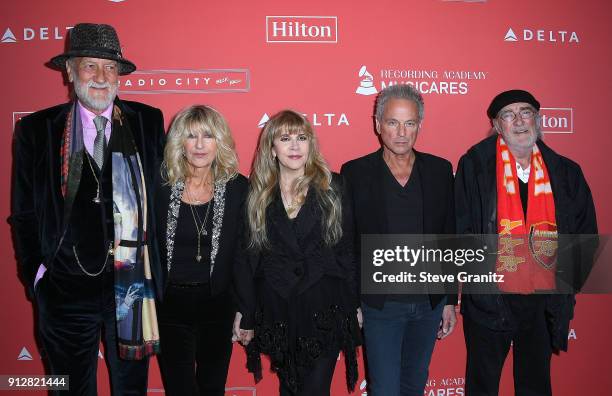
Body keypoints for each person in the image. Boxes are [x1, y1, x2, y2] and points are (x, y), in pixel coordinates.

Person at [9, 23, 165, 395]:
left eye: (109, 67)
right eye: (90, 65)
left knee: (132, 390)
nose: (100, 76)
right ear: (70, 70)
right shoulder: (36, 130)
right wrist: (38, 277)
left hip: (130, 287)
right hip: (63, 290)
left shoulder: (147, 121)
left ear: (120, 75)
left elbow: (163, 198)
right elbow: (23, 214)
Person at [455, 89, 598, 395]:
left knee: (535, 385)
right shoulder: (475, 167)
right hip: (490, 299)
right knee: (482, 385)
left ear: (538, 119)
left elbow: (586, 234)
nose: (519, 120)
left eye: (526, 112)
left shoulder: (565, 172)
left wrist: (565, 284)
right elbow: (460, 228)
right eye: (509, 114)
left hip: (543, 301)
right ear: (497, 125)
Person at [233, 110, 362, 396]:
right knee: (289, 389)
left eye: (302, 138)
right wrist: (246, 312)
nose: (294, 146)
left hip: (324, 305)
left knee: (314, 390)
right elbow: (248, 257)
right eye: (285, 138)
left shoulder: (333, 186)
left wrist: (354, 304)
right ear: (272, 148)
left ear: (311, 144)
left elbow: (347, 250)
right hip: (278, 306)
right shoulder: (256, 194)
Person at [341, 84, 457, 396]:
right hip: (380, 305)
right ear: (377, 125)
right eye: (393, 122)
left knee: (414, 386)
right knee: (384, 389)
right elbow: (348, 244)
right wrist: (353, 302)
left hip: (428, 304)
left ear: (420, 124)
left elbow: (450, 237)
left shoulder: (440, 170)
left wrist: (450, 300)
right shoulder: (354, 173)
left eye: (410, 123)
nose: (402, 132)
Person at [155, 105, 248, 395]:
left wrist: (247, 309)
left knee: (212, 388)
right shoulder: (159, 185)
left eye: (207, 136)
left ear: (219, 141)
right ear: (178, 141)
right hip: (169, 304)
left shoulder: (237, 188)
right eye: (190, 136)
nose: (198, 145)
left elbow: (243, 256)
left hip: (217, 304)